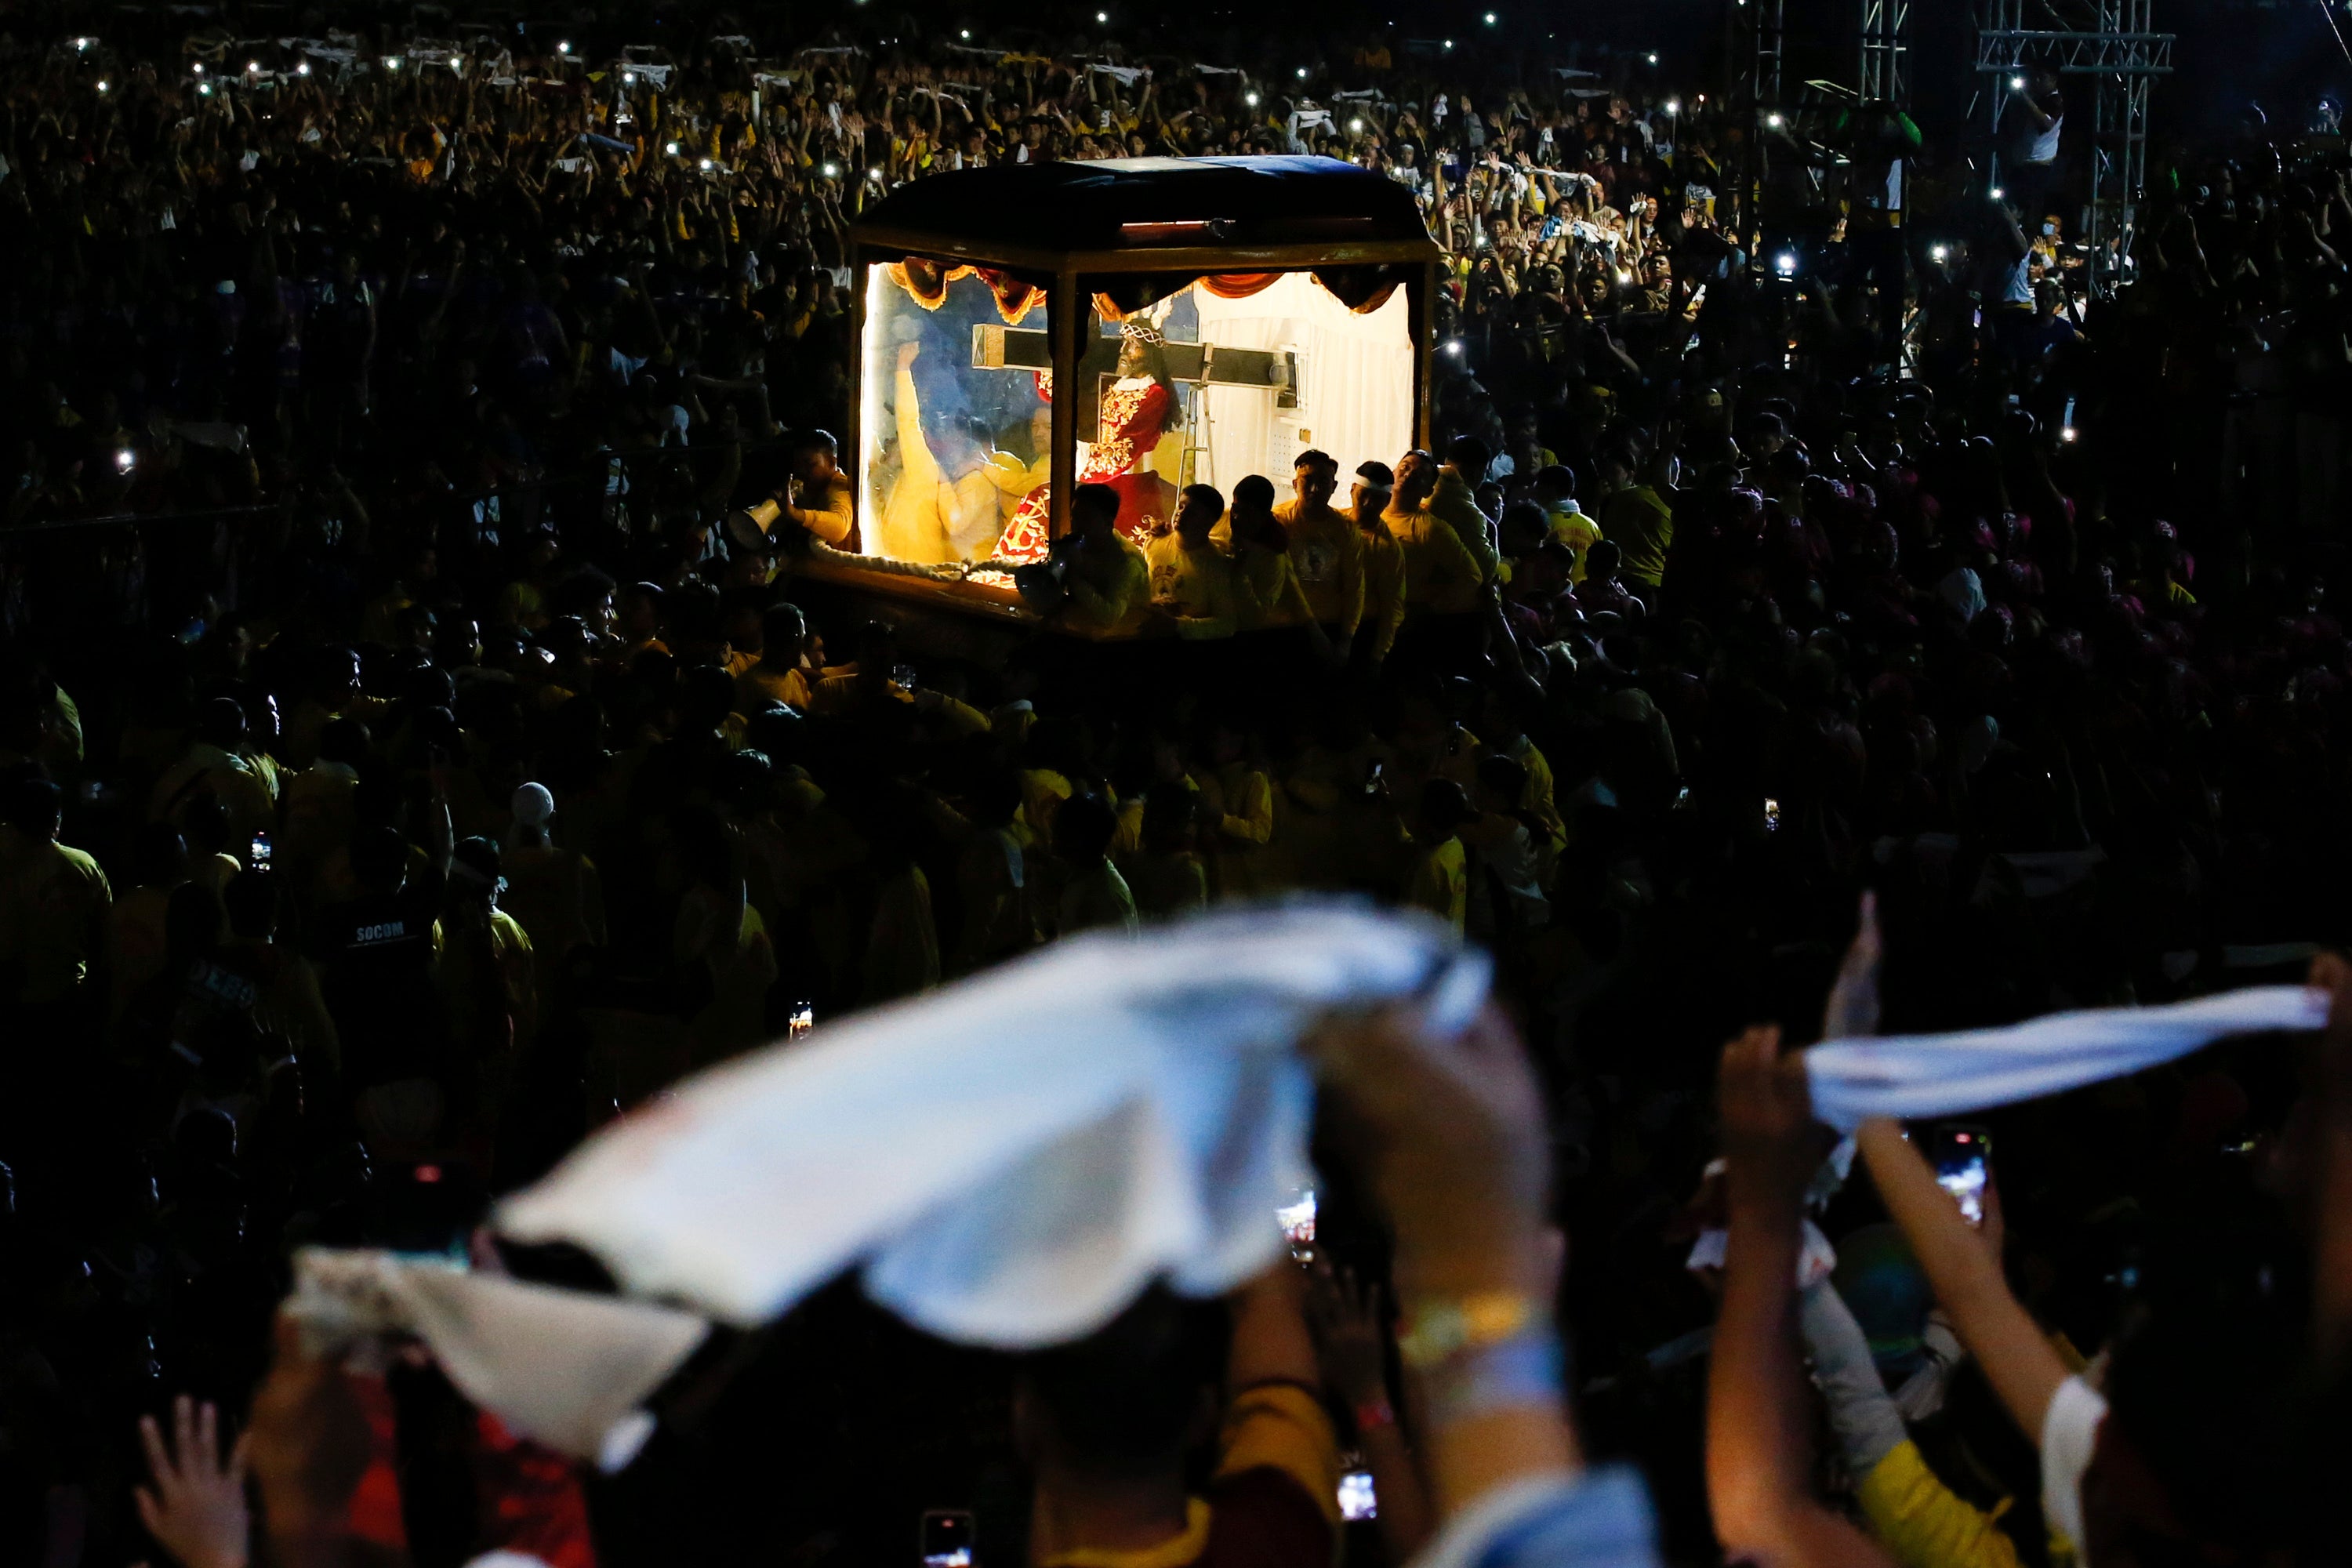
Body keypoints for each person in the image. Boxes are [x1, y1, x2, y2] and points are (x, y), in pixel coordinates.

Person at [1272, 450, 1366, 653]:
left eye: (1323, 481)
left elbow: (1355, 587)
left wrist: (1347, 639)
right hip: (1284, 624)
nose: (1315, 489)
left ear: (1333, 487)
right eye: (1307, 480)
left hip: (1330, 623)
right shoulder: (1280, 521)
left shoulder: (1346, 529)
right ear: (1295, 484)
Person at [1147, 485, 1244, 640]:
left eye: (1192, 513)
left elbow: (1226, 624)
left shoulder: (1216, 565)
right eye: (1180, 506)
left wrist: (1178, 625)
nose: (1181, 514)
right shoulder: (1154, 543)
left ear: (1209, 521)